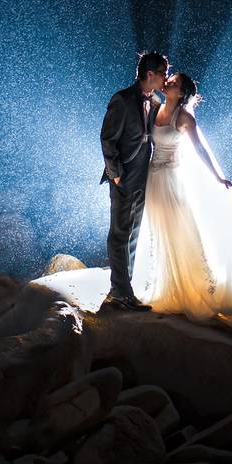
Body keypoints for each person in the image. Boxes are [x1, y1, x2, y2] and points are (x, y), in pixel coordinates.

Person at [42, 68, 232, 328]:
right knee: (152, 232)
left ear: (181, 93)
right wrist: (117, 174)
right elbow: (124, 138)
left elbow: (200, 149)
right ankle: (147, 285)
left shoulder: (184, 118)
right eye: (167, 77)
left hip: (171, 180)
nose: (168, 81)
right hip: (151, 179)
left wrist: (219, 177)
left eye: (174, 81)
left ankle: (192, 287)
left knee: (180, 231)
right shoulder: (154, 106)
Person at [98, 50, 168, 310]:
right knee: (119, 234)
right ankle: (121, 295)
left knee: (134, 234)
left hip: (143, 177)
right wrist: (116, 175)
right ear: (150, 74)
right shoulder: (122, 99)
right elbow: (107, 139)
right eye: (163, 73)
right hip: (124, 177)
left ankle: (122, 289)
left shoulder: (156, 101)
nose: (166, 78)